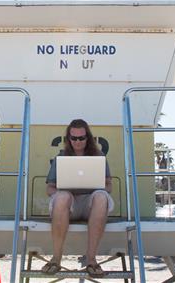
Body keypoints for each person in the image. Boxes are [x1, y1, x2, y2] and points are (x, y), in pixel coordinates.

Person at [43, 119, 113, 278]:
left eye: (81, 138)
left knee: (102, 196)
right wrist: (64, 191)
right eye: (74, 138)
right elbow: (49, 188)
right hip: (70, 206)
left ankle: (91, 260)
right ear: (68, 138)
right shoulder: (61, 157)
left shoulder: (99, 156)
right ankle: (56, 258)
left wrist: (96, 187)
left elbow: (109, 186)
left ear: (88, 137)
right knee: (61, 197)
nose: (77, 141)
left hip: (91, 205)